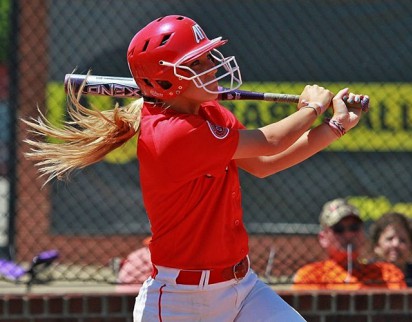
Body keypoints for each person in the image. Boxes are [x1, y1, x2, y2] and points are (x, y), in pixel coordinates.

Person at [23, 15, 368, 321]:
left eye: (205, 58)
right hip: (180, 302)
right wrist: (311, 109)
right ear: (165, 82)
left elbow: (265, 164)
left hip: (242, 288)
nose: (211, 67)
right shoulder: (170, 134)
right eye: (196, 63)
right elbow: (269, 141)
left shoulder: (209, 114)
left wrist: (336, 126)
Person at [293, 198, 406, 289]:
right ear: (323, 237)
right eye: (339, 229)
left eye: (354, 228)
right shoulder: (311, 275)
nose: (348, 235)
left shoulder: (388, 273)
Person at [369, 211, 412, 288]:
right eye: (389, 239)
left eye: (402, 240)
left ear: (411, 247)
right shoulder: (366, 273)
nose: (395, 244)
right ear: (376, 245)